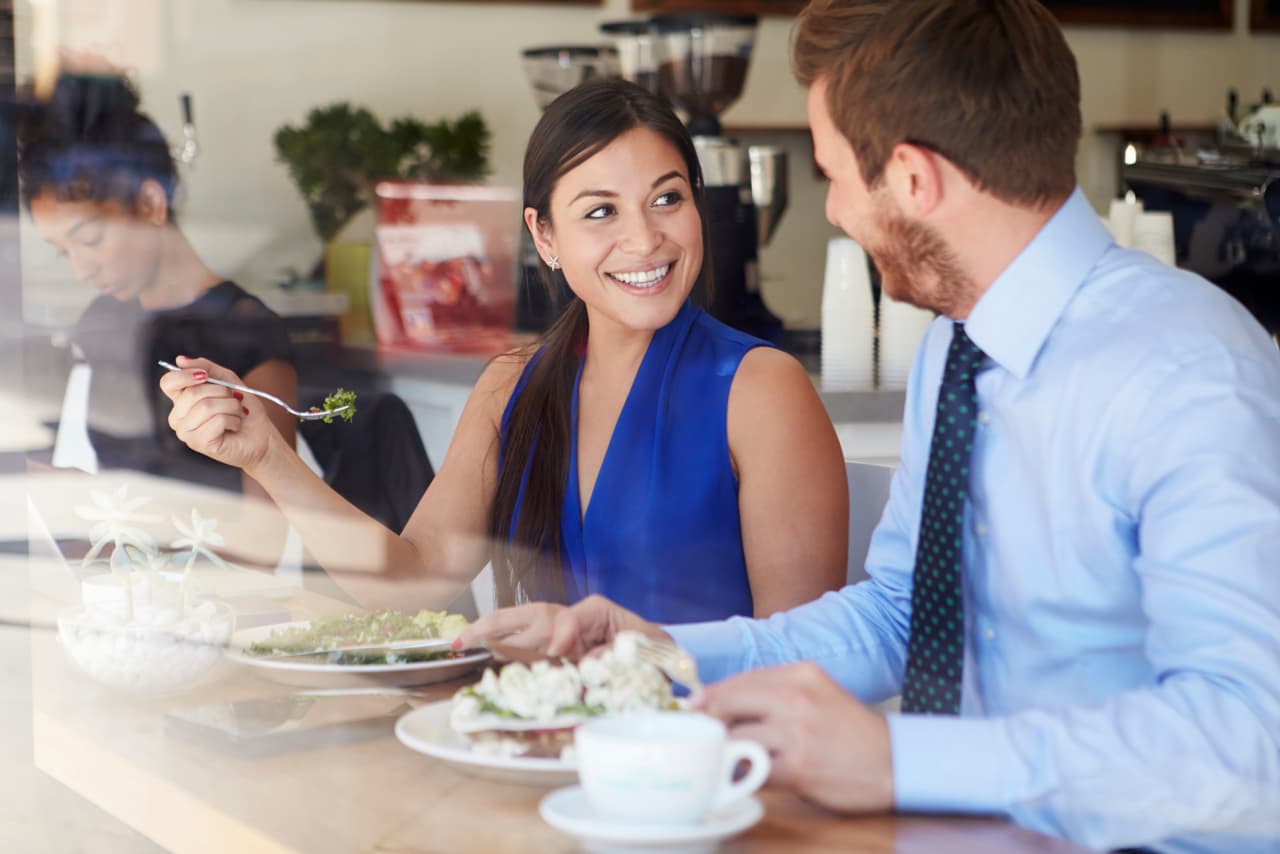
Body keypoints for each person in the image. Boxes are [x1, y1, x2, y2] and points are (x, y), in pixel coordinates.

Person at [454, 2, 1280, 851]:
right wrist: (655, 649)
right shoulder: (959, 347)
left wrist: (899, 761)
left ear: (913, 179)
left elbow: (1256, 748)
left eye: (834, 176)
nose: (837, 212)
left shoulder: (1188, 369)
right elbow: (898, 615)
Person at [161, 78, 849, 621]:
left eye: (667, 199)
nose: (645, 239)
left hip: (696, 752)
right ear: (545, 236)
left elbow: (801, 661)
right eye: (601, 211)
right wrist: (267, 456)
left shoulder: (761, 388)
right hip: (533, 740)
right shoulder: (512, 386)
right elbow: (412, 582)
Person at [20, 70, 299, 503]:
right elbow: (103, 475)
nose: (81, 270)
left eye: (90, 240)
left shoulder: (249, 336)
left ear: (151, 202)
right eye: (63, 252)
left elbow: (265, 532)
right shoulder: (103, 320)